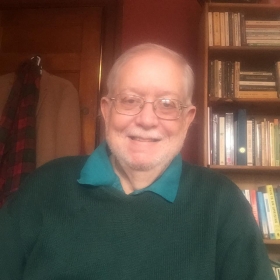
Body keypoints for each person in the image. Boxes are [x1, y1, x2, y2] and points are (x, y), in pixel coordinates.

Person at [0, 43, 275, 280]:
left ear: (188, 119)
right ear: (106, 110)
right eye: (130, 100)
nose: (146, 119)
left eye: (167, 104)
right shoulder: (45, 186)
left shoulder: (222, 203)